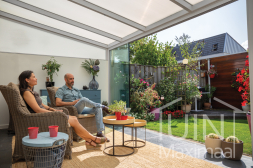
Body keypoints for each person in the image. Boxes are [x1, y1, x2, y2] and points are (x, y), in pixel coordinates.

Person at [19, 70, 106, 148]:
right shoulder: (26, 93)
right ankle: (93, 138)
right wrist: (54, 113)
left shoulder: (32, 92)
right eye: (34, 77)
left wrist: (53, 110)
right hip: (42, 117)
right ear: (27, 80)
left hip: (46, 113)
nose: (36, 78)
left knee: (76, 117)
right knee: (74, 119)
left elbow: (42, 105)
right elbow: (38, 110)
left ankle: (90, 139)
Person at [55, 73, 110, 142]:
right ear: (65, 80)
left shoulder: (76, 90)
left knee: (97, 109)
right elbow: (57, 103)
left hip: (81, 108)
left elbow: (83, 101)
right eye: (70, 79)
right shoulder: (61, 90)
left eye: (73, 78)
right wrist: (72, 103)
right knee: (83, 99)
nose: (72, 80)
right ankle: (103, 106)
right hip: (71, 109)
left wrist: (81, 102)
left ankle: (99, 133)